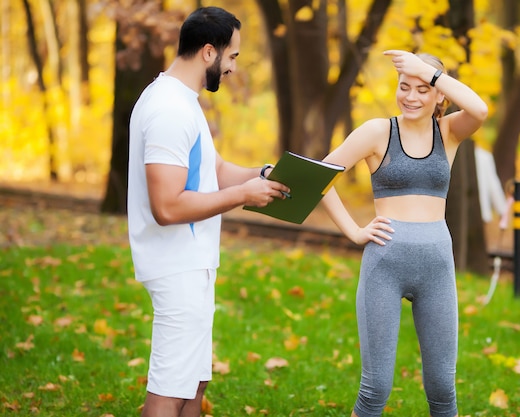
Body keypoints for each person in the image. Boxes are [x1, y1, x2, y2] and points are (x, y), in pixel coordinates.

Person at [127, 7, 289, 417]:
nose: (234, 67)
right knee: (168, 393)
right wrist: (242, 197)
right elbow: (167, 206)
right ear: (207, 52)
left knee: (194, 387)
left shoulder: (185, 102)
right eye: (232, 56)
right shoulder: (168, 110)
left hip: (193, 264)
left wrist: (263, 175)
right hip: (175, 266)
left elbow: (213, 171)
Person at [320, 50, 488, 417]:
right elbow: (320, 178)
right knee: (375, 388)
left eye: (422, 89)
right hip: (385, 266)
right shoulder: (378, 131)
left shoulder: (449, 132)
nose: (411, 97)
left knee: (443, 386)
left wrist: (431, 73)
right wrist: (353, 231)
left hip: (437, 270)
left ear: (439, 94)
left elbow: (480, 110)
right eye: (404, 87)